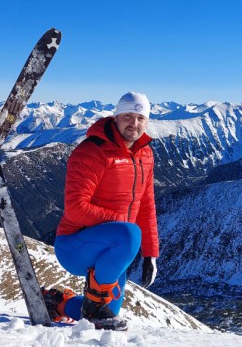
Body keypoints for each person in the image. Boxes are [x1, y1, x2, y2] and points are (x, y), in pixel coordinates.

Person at [43, 91, 159, 330]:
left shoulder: (145, 154)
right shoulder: (92, 151)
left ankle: (58, 303)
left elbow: (147, 205)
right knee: (129, 233)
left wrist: (150, 253)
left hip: (114, 246)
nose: (134, 123)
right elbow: (75, 208)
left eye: (140, 118)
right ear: (115, 116)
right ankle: (95, 305)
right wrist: (123, 227)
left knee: (109, 312)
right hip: (75, 245)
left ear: (146, 121)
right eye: (128, 116)